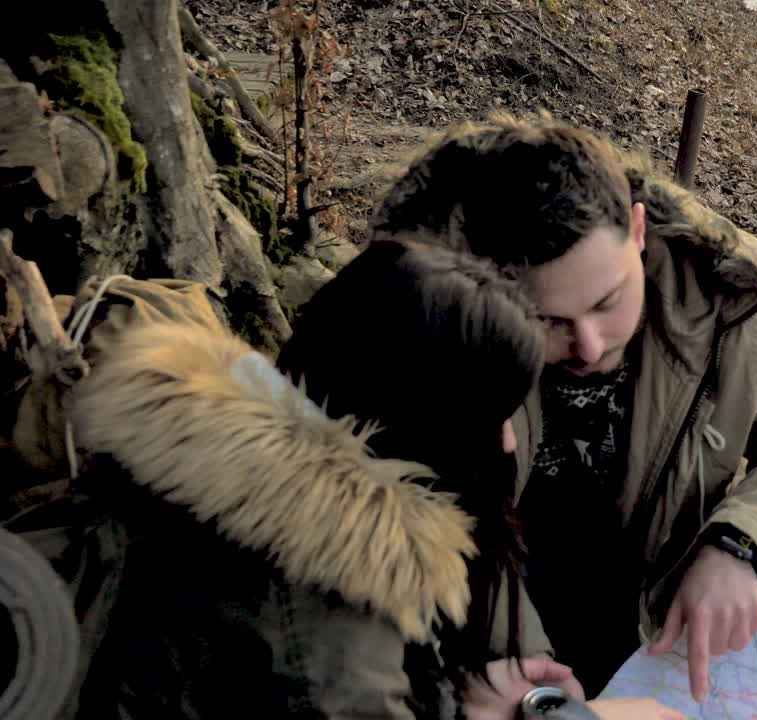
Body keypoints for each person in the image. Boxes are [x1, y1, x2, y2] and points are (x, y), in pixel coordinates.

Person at [371, 114, 757, 715]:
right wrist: (519, 671)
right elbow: (420, 533)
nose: (590, 345)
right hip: (514, 584)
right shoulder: (428, 327)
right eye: (545, 320)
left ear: (640, 231)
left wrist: (742, 545)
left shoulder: (727, 286)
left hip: (685, 538)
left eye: (608, 302)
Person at [32, 246, 679, 719]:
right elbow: (315, 683)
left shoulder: (193, 464)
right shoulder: (326, 628)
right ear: (434, 430)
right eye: (497, 415)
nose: (510, 439)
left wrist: (455, 701)